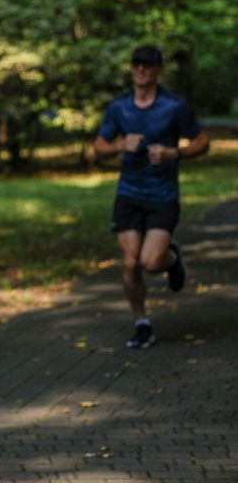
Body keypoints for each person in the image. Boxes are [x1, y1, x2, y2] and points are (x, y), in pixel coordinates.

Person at [93, 45, 209, 349]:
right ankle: (141, 322)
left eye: (148, 65)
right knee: (130, 263)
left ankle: (172, 258)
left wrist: (174, 153)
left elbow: (202, 142)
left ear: (158, 70)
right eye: (137, 65)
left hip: (162, 194)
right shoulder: (119, 108)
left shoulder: (173, 107)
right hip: (129, 194)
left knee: (151, 263)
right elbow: (98, 148)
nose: (141, 70)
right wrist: (119, 145)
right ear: (131, 69)